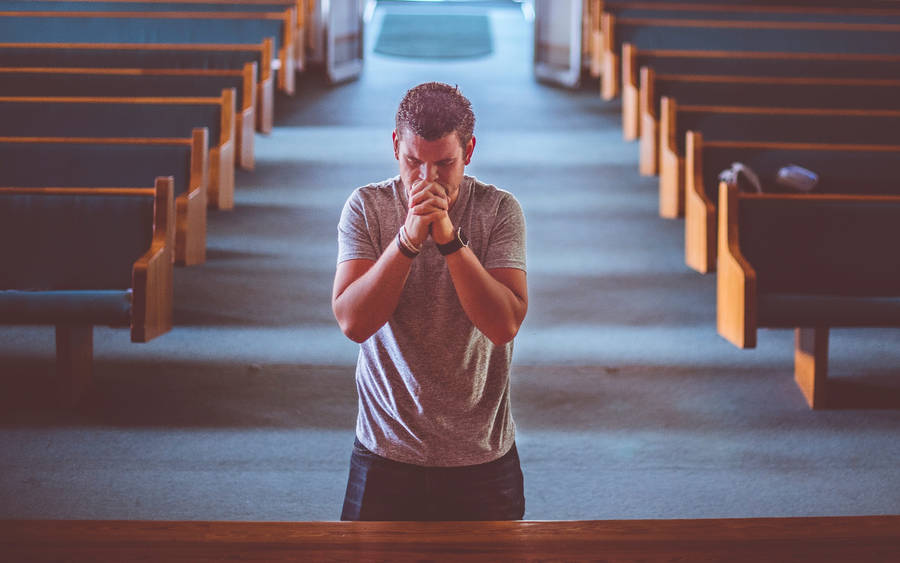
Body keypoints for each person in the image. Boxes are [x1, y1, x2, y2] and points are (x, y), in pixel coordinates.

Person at [332, 82, 528, 521]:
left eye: (445, 164)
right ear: (395, 146)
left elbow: (503, 326)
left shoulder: (499, 210)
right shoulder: (366, 207)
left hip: (481, 454)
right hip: (385, 450)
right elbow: (354, 323)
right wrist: (406, 239)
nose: (427, 180)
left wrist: (449, 240)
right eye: (413, 163)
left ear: (469, 151)